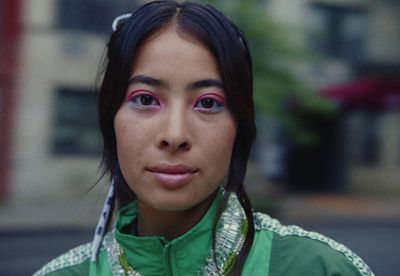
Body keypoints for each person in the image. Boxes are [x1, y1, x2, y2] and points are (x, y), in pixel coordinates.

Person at [34, 1, 374, 275]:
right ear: (111, 119)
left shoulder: (318, 268)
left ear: (239, 126)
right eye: (145, 99)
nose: (175, 135)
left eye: (208, 103)